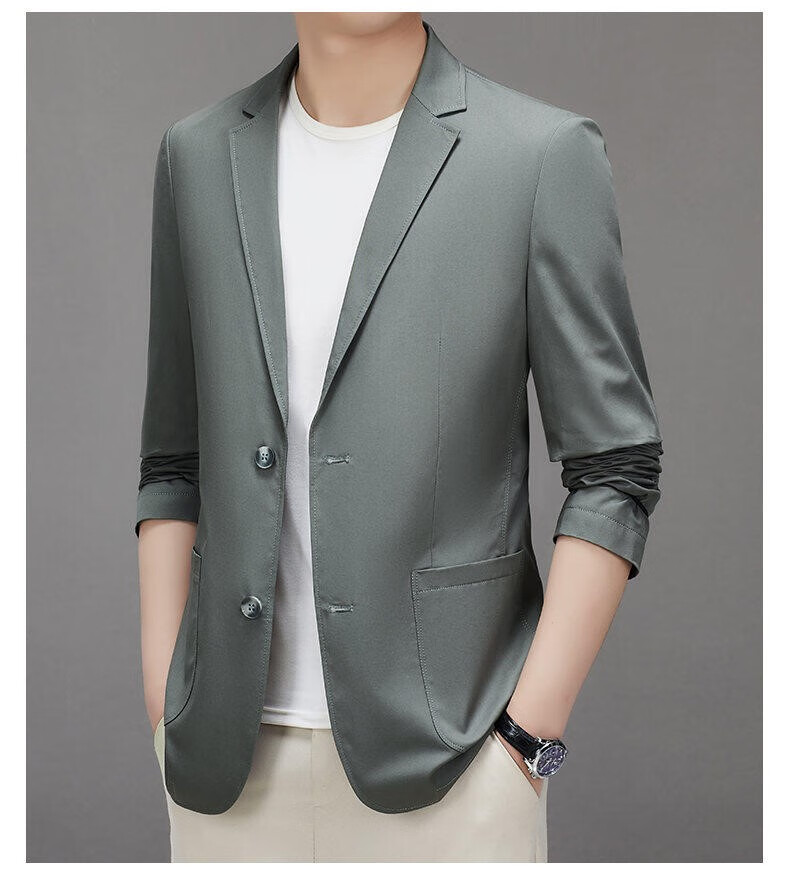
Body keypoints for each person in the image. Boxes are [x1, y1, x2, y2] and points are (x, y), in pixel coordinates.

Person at [136, 12, 663, 863]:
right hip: (223, 769)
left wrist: (527, 740)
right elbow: (173, 460)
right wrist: (166, 703)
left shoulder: (537, 155)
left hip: (454, 768)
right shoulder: (195, 156)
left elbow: (616, 468)